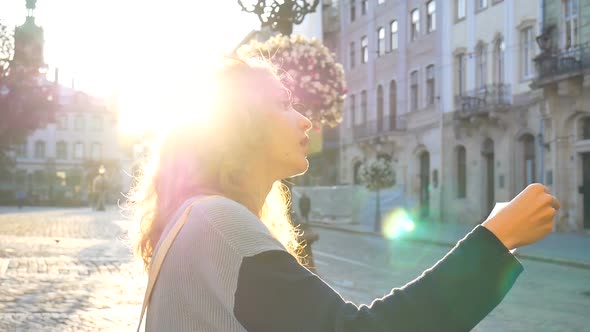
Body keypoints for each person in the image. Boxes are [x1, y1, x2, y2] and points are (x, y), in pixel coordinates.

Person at [128, 57, 560, 331]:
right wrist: (495, 239)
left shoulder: (199, 219)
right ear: (239, 126)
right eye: (282, 104)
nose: (304, 121)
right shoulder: (218, 225)